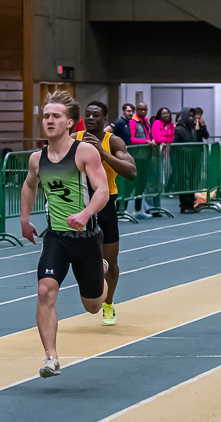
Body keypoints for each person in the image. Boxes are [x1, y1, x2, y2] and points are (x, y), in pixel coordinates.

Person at [19, 91, 111, 378]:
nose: (49, 121)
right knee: (45, 290)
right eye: (46, 116)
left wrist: (85, 214)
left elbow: (103, 191)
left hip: (87, 238)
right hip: (56, 237)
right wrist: (24, 219)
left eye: (56, 116)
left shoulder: (85, 152)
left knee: (92, 306)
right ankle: (51, 358)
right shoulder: (37, 158)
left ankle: (100, 272)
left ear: (70, 122)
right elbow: (29, 185)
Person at [76, 100, 137, 326]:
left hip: (105, 206)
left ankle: (108, 303)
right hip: (80, 206)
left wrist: (101, 152)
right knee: (81, 261)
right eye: (87, 114)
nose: (91, 118)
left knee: (110, 262)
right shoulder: (74, 139)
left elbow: (131, 172)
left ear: (104, 119)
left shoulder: (113, 141)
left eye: (95, 115)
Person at [172, 107, 200, 213]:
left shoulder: (193, 128)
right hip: (182, 160)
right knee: (184, 183)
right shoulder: (179, 129)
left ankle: (190, 205)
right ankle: (184, 206)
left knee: (192, 182)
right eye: (189, 116)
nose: (191, 118)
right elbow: (174, 145)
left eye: (192, 116)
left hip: (192, 159)